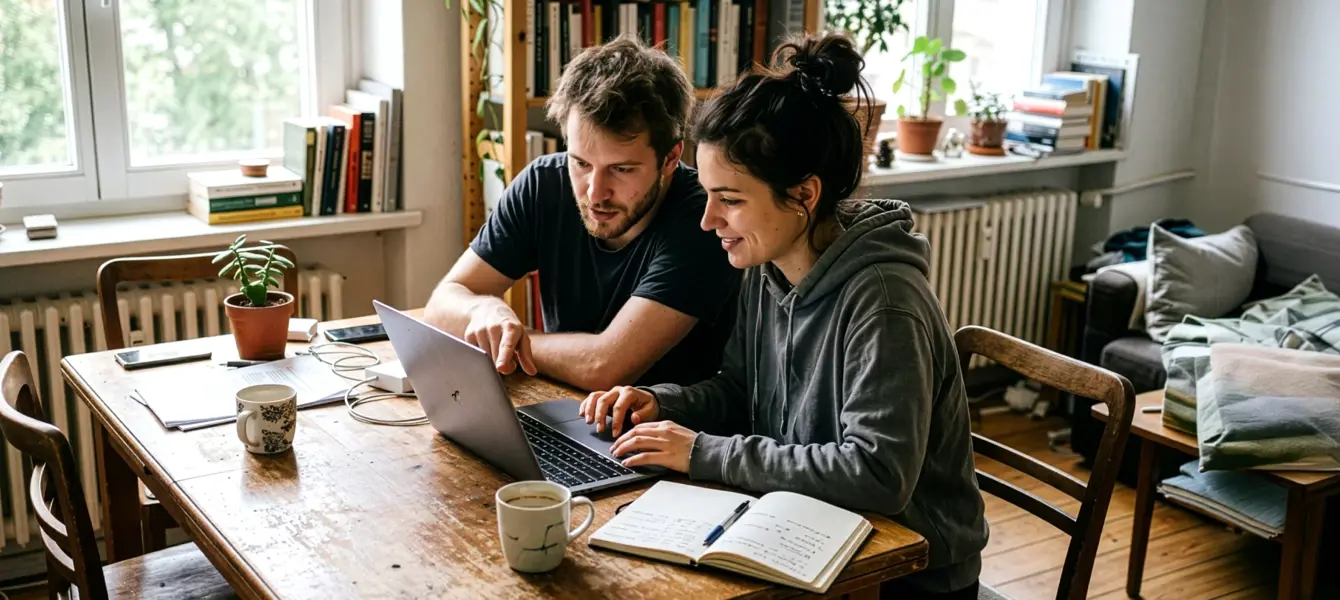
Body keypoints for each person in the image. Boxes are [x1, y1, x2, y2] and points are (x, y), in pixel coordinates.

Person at [579, 33, 988, 598]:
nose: (708, 221)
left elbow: (877, 475)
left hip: (905, 572)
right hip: (809, 530)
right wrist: (662, 403)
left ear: (803, 194)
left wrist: (702, 452)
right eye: (708, 196)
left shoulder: (886, 302)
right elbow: (742, 389)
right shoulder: (768, 267)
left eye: (731, 199)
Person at [424, 35, 740, 392]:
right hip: (559, 403)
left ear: (670, 158)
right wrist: (482, 312)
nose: (594, 192)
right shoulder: (544, 182)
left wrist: (514, 342)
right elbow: (440, 306)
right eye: (581, 163)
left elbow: (603, 368)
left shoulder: (707, 218)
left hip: (659, 432)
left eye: (621, 169)